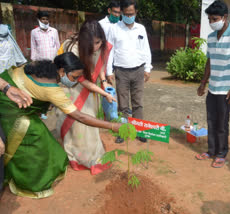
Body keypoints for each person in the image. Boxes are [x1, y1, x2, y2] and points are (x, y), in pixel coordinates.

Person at [0, 53, 120, 198]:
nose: (75, 82)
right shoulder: (53, 89)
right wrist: (112, 126)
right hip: (11, 110)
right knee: (34, 139)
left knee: (46, 139)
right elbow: (79, 116)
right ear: (62, 71)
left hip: (9, 94)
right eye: (74, 77)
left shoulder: (38, 65)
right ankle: (31, 183)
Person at [56, 20, 115, 175]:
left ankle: (91, 155)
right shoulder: (72, 48)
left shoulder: (103, 46)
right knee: (76, 124)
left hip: (91, 91)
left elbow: (100, 67)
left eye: (98, 42)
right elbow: (81, 80)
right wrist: (105, 93)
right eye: (91, 44)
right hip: (72, 89)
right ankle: (75, 156)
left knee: (89, 125)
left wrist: (104, 83)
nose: (95, 47)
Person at [195, 1, 230, 168]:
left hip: (226, 89)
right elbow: (209, 61)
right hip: (213, 87)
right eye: (209, 19)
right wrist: (203, 83)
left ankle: (222, 153)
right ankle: (211, 150)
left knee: (222, 123)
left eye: (214, 19)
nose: (211, 22)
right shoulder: (210, 37)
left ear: (224, 17)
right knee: (211, 120)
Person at [107, 0, 152, 144]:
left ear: (136, 13)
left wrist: (147, 68)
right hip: (121, 71)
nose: (128, 16)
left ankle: (139, 130)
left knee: (137, 102)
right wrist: (109, 71)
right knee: (123, 104)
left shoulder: (141, 29)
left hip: (138, 70)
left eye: (131, 14)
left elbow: (146, 49)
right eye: (125, 14)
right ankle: (124, 130)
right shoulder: (114, 29)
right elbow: (109, 51)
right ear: (121, 13)